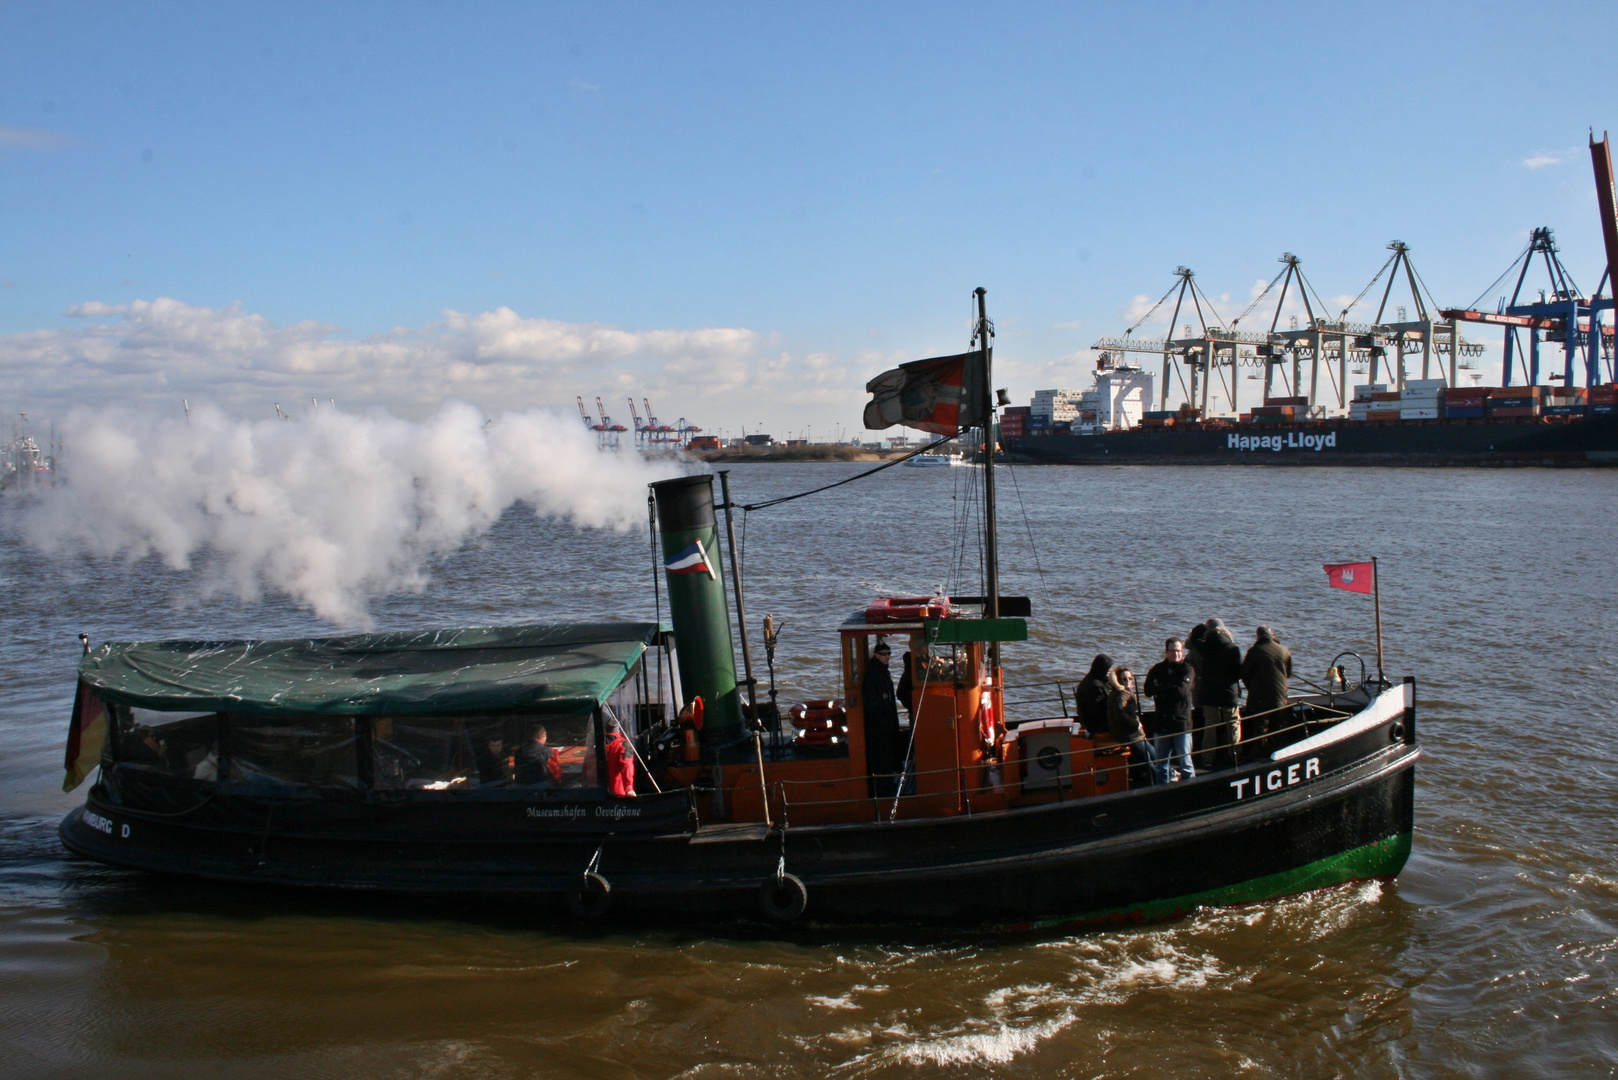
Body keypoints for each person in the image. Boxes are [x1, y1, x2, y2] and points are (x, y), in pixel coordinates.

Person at [1144, 637, 1196, 783]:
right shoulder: (1157, 669)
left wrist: (1160, 688)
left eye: (1179, 651)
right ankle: (1162, 790)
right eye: (1173, 651)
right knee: (1161, 764)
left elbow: (1181, 692)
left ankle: (1190, 789)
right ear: (1166, 652)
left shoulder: (1187, 669)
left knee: (1185, 762)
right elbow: (1148, 690)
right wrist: (1169, 688)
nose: (1176, 654)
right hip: (1162, 721)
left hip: (1181, 722)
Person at [1241, 625, 1294, 761]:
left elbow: (1245, 674)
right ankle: (1279, 752)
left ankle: (1258, 754)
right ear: (1272, 634)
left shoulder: (1254, 651)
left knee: (1261, 726)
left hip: (1261, 697)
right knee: (1279, 724)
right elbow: (1289, 673)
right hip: (1280, 695)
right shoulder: (1284, 650)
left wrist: (1252, 689)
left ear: (1258, 636)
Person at [1197, 618, 1243, 771]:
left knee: (1210, 725)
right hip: (1229, 692)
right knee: (1233, 724)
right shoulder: (1233, 648)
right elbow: (1238, 672)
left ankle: (1207, 758)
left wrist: (1203, 627)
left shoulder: (1205, 646)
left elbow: (1192, 639)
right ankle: (1234, 756)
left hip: (1209, 692)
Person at [862, 639, 903, 797]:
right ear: (876, 655)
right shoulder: (873, 675)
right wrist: (883, 724)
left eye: (889, 654)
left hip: (887, 724)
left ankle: (888, 782)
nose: (887, 657)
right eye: (884, 654)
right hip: (878, 729)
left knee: (887, 756)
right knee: (881, 758)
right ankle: (882, 790)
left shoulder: (883, 672)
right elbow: (871, 704)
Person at [1105, 665, 1156, 787]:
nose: (1128, 681)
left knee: (1152, 754)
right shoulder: (1121, 695)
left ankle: (1148, 775)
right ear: (1119, 681)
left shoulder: (1123, 693)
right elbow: (1120, 714)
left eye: (1130, 678)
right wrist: (1136, 724)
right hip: (1128, 733)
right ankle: (1159, 779)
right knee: (1150, 756)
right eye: (1124, 679)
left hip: (1131, 732)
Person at [1074, 653, 1113, 737]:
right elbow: (1099, 711)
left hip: (1095, 722)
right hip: (1095, 725)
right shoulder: (1094, 685)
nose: (1110, 670)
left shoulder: (1096, 679)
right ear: (1101, 669)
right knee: (1127, 726)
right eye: (1107, 669)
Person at [604, 717, 637, 797]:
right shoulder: (623, 745)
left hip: (597, 792)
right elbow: (627, 765)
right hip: (617, 794)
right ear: (619, 729)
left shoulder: (596, 744)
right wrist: (629, 788)